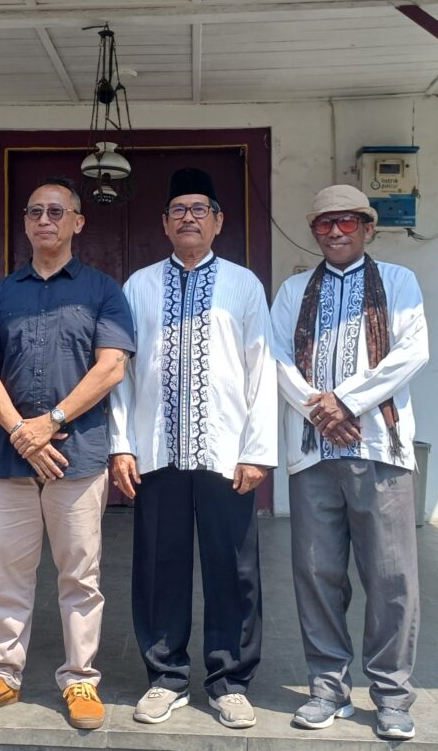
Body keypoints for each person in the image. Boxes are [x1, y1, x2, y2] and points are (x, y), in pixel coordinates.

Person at [0, 176, 135, 731]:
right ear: (25, 223)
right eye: (35, 212)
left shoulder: (103, 291)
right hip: (11, 460)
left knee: (80, 575)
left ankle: (80, 679)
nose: (45, 220)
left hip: (77, 457)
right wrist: (20, 431)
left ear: (78, 221)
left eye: (57, 211)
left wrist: (49, 423)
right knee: (9, 571)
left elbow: (111, 367)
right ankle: (1, 675)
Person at [108, 167, 277, 730]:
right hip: (156, 453)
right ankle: (166, 677)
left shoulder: (243, 284)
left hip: (227, 455)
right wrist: (122, 445)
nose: (188, 218)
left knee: (234, 568)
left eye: (199, 209)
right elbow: (120, 372)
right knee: (160, 568)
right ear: (164, 222)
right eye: (178, 210)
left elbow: (262, 368)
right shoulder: (137, 286)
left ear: (218, 221)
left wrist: (257, 450)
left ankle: (230, 682)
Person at [271, 184, 429, 742]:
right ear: (313, 231)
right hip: (313, 452)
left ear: (367, 227)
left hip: (379, 449)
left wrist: (346, 401)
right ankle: (327, 689)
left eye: (346, 222)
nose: (335, 232)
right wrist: (321, 411)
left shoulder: (398, 282)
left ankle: (392, 695)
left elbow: (412, 351)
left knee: (391, 577)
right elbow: (277, 357)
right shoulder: (294, 290)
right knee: (317, 574)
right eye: (324, 223)